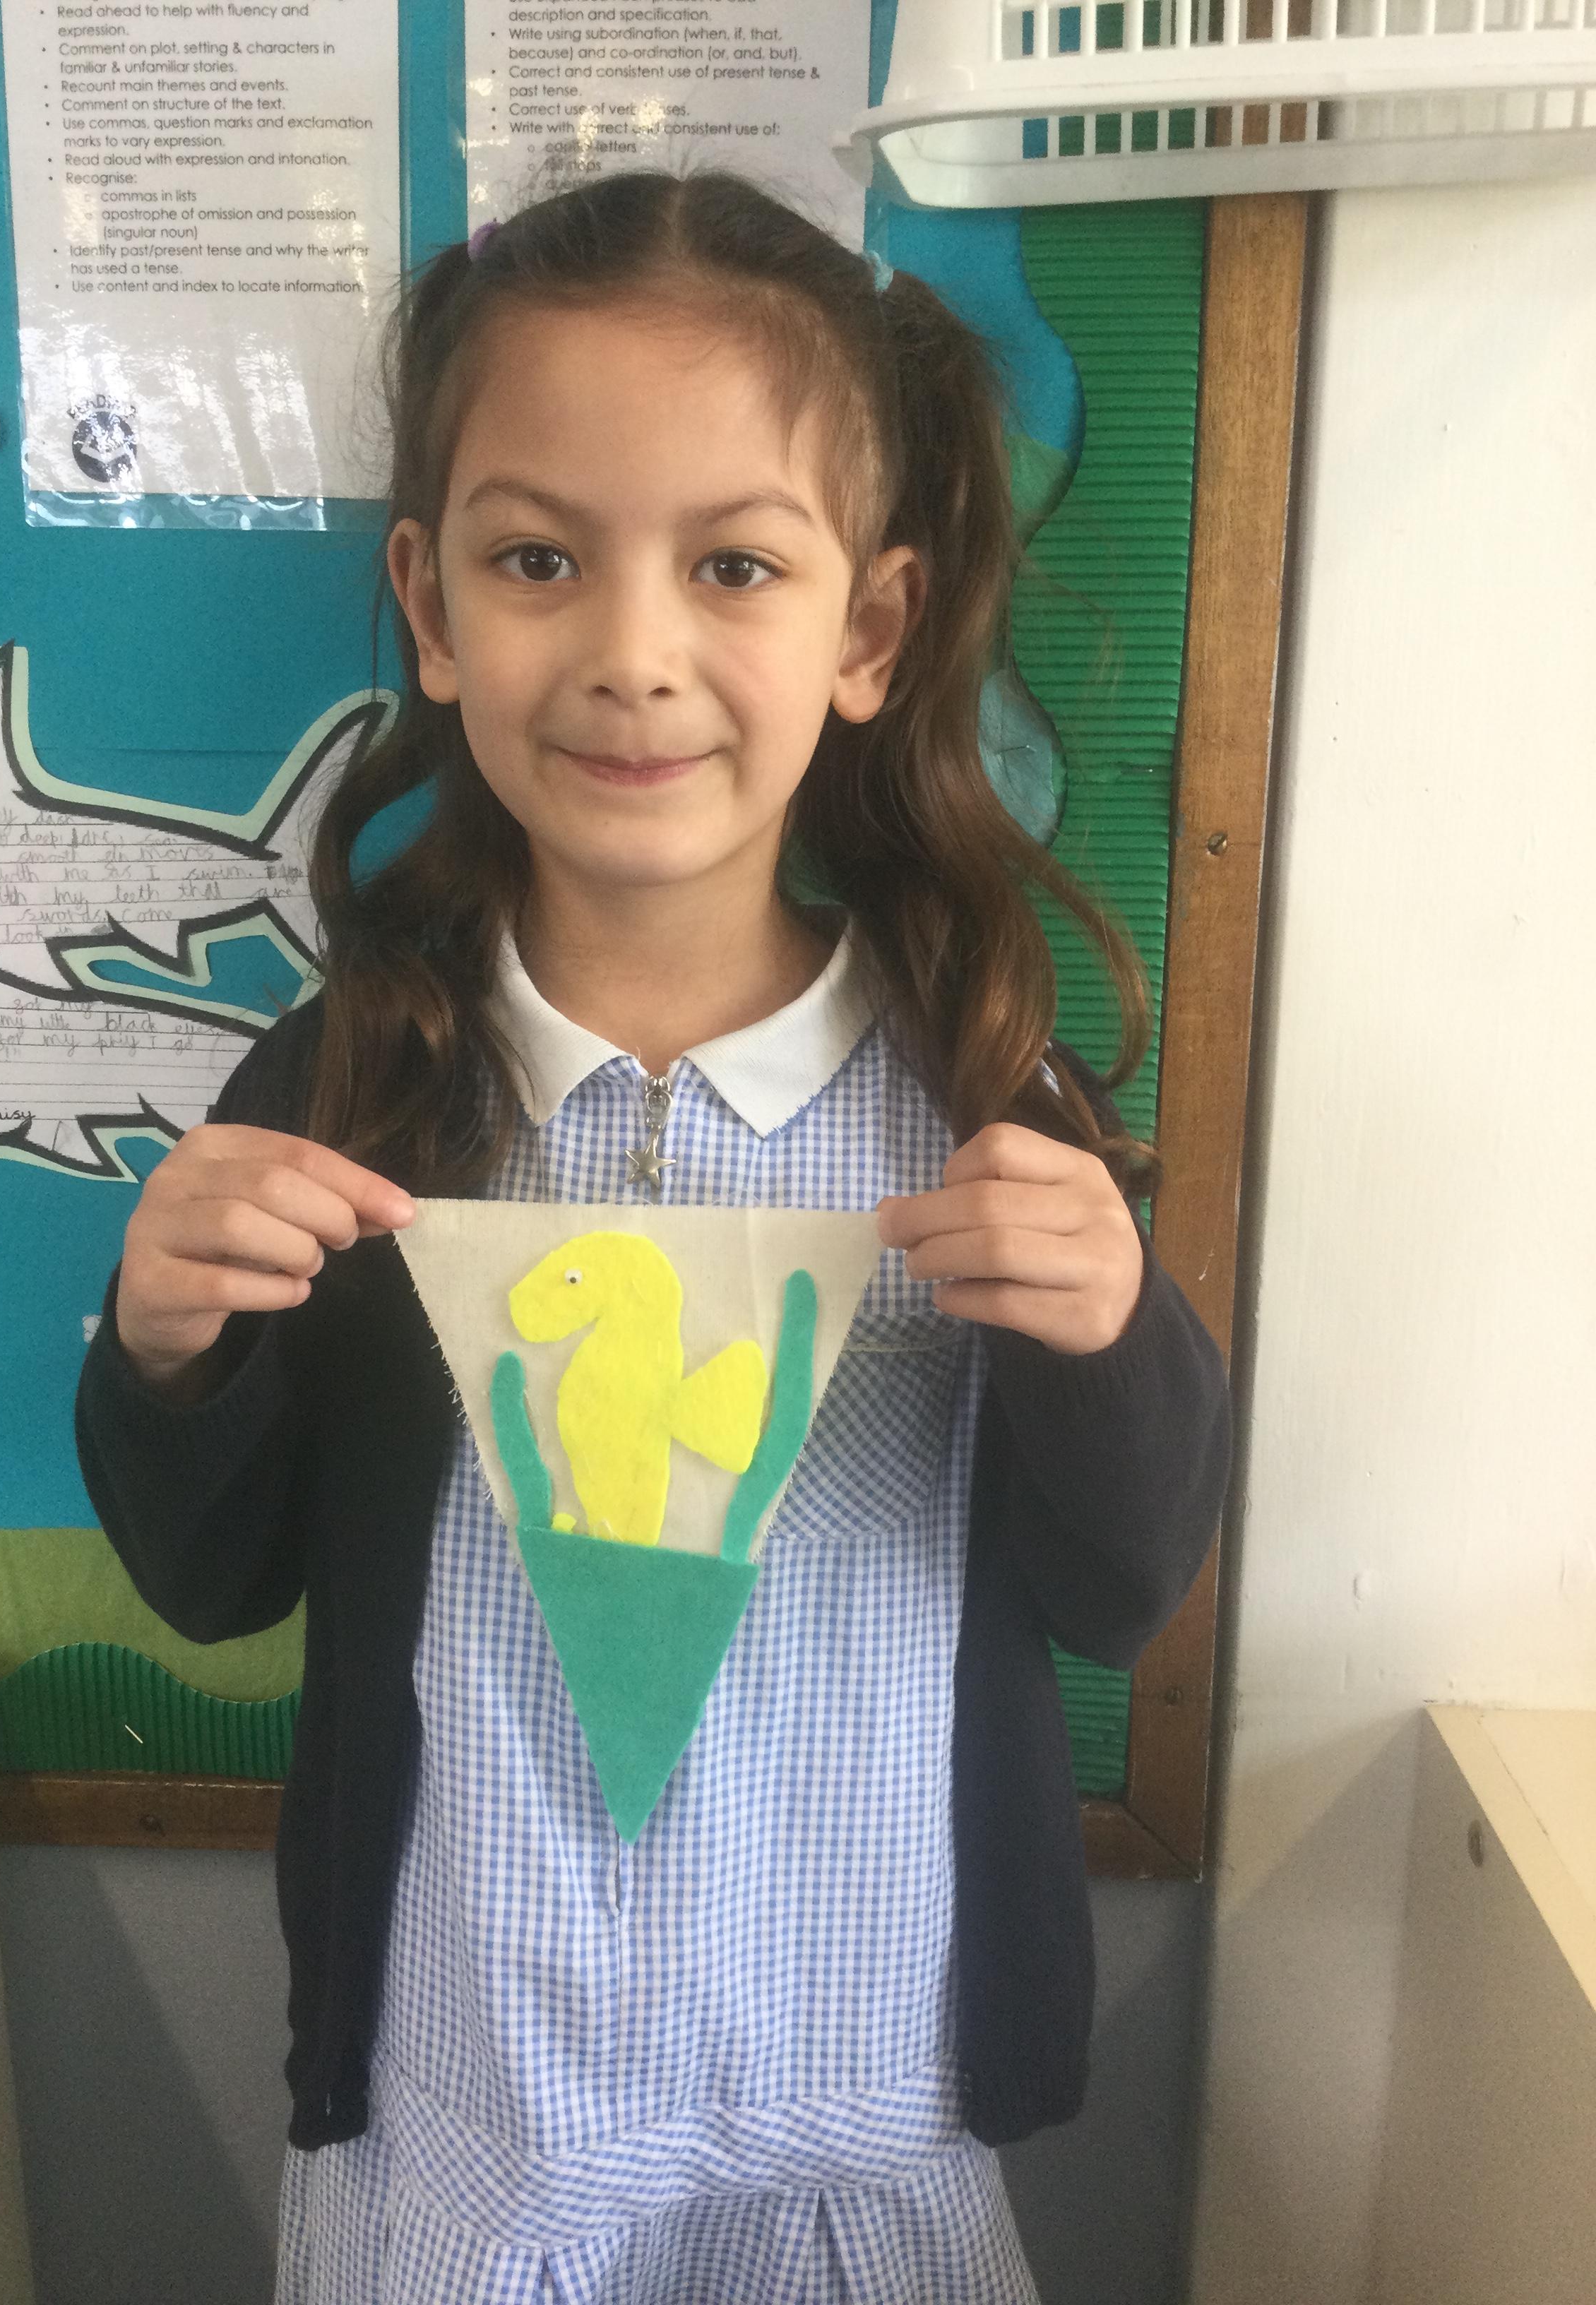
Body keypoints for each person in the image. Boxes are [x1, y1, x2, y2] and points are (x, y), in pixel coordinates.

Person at [75, 167, 1232, 2305]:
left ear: (869, 633)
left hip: (865, 2114)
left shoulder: (988, 1096)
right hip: (469, 2117)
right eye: (538, 559)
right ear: (432, 608)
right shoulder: (346, 1091)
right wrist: (168, 1353)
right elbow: (213, 1581)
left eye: (734, 565)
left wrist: (1113, 1336)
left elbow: (1124, 1581)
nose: (631, 657)